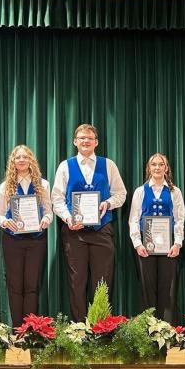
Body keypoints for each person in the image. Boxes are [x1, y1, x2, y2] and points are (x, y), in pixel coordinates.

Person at [51, 124, 127, 322]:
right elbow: (57, 198)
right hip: (74, 232)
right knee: (77, 282)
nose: (86, 141)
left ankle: (101, 328)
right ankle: (80, 330)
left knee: (102, 282)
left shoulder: (108, 165)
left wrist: (108, 203)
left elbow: (121, 193)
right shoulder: (65, 166)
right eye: (82, 138)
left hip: (102, 230)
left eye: (90, 138)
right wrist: (68, 218)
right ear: (75, 141)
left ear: (96, 142)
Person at [0, 145, 53, 325]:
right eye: (18, 157)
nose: (21, 160)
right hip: (13, 240)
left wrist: (46, 220)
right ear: (13, 161)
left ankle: (29, 330)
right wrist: (5, 221)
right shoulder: (6, 186)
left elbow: (49, 211)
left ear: (31, 161)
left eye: (25, 157)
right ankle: (16, 330)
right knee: (15, 286)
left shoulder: (42, 184)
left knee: (32, 286)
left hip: (36, 240)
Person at [128, 153, 184, 324]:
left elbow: (179, 219)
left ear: (166, 168)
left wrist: (177, 243)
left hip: (169, 249)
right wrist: (138, 244)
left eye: (161, 164)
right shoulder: (140, 191)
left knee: (167, 289)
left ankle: (167, 331)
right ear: (149, 168)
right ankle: (148, 330)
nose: (158, 168)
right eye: (154, 164)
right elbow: (134, 220)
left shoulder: (175, 192)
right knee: (147, 289)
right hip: (146, 248)